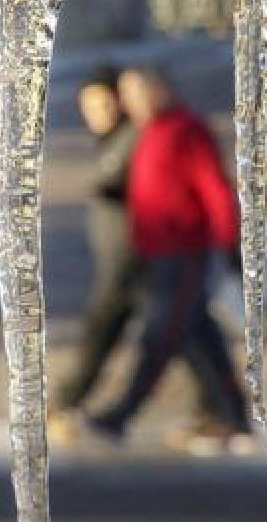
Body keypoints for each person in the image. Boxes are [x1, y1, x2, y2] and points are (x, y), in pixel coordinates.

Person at [87, 64, 251, 454]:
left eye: (139, 93)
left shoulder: (186, 130)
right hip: (158, 255)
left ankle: (121, 414)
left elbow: (216, 190)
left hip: (185, 254)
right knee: (197, 340)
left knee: (159, 338)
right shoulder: (149, 133)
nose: (132, 103)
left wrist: (230, 246)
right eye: (127, 96)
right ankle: (229, 414)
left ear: (160, 90)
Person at [51, 66, 140, 437]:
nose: (97, 113)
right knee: (189, 337)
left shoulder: (132, 139)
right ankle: (220, 408)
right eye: (89, 106)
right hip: (123, 260)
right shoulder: (114, 140)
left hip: (134, 260)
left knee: (101, 332)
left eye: (104, 103)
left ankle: (66, 403)